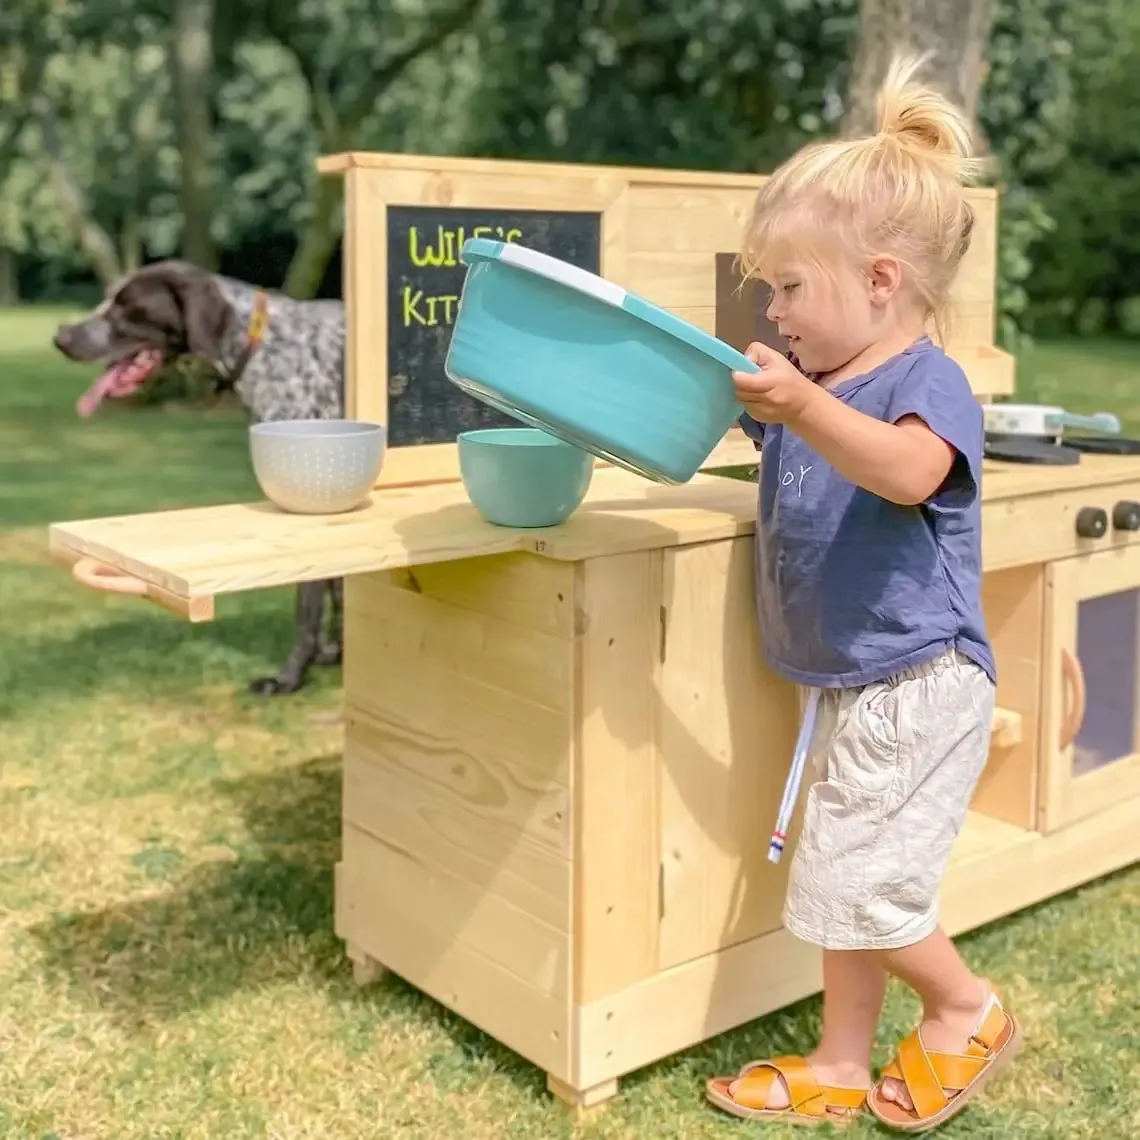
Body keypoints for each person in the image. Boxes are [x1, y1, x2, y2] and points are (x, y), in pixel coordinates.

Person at [704, 54, 1023, 1132]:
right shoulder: (821, 388)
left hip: (917, 684)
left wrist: (797, 407)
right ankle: (843, 1060)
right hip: (852, 681)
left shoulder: (921, 382)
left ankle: (964, 1008)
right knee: (852, 877)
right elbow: (753, 434)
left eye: (791, 287)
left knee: (860, 884)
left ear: (880, 282)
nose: (775, 307)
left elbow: (907, 472)